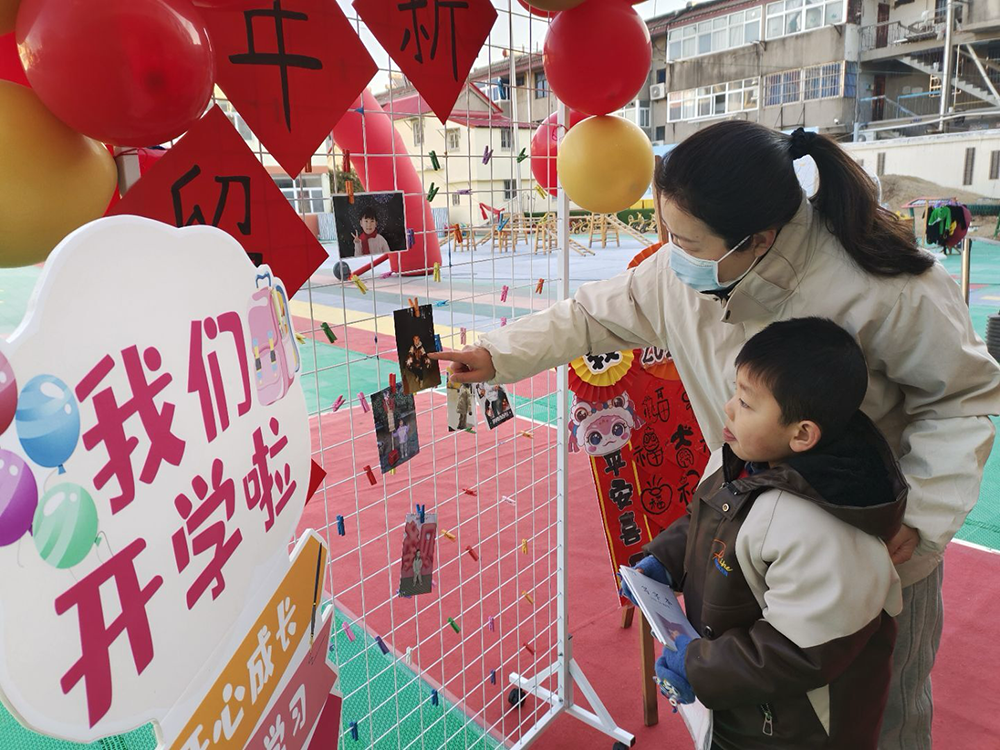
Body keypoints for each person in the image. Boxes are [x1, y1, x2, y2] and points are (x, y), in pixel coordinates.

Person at [431, 121, 1000, 749]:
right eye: (666, 232)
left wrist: (918, 520)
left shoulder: (886, 287)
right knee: (749, 715)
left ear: (757, 241)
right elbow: (590, 315)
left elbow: (961, 401)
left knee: (875, 719)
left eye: (685, 240)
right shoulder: (683, 275)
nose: (670, 254)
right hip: (748, 541)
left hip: (871, 551)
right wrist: (496, 354)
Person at [622, 317, 905, 749]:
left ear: (802, 434)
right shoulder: (740, 458)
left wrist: (699, 668)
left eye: (748, 403)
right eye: (735, 391)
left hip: (796, 729)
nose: (729, 407)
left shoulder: (827, 530)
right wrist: (663, 560)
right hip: (742, 706)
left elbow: (797, 651)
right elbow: (710, 520)